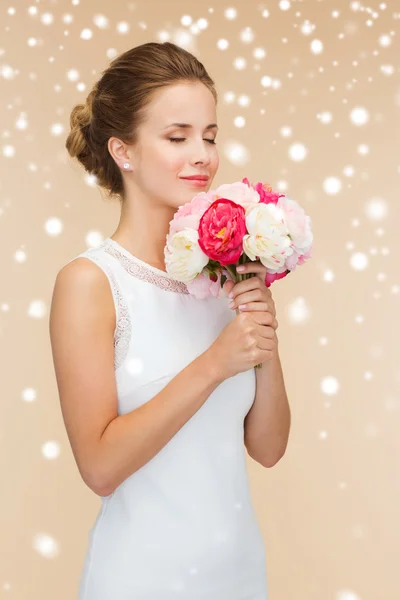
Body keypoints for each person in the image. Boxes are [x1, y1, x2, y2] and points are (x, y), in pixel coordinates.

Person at [49, 41, 270, 600]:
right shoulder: (90, 284)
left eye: (210, 135)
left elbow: (268, 446)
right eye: (178, 137)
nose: (203, 154)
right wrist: (215, 363)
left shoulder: (228, 274)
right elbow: (99, 468)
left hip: (240, 576)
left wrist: (258, 320)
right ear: (123, 151)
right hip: (140, 581)